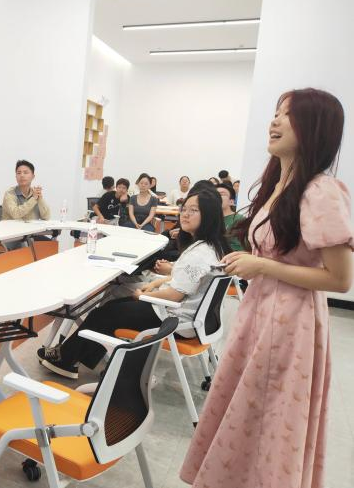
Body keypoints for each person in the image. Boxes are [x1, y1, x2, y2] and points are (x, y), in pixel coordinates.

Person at [181, 88, 353, 488]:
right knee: (250, 413)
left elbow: (341, 279)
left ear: (313, 127)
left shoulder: (320, 190)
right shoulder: (280, 185)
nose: (274, 121)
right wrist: (257, 264)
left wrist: (262, 265)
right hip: (262, 311)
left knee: (270, 417)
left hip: (290, 321)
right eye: (276, 112)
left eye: (287, 115)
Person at [37, 190, 231, 378]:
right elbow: (187, 282)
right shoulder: (211, 247)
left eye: (193, 210)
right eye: (185, 209)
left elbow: (174, 295)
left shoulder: (199, 253)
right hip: (190, 318)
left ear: (209, 216)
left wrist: (144, 295)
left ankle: (65, 360)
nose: (185, 214)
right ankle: (77, 357)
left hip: (174, 319)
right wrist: (155, 285)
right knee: (111, 307)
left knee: (103, 313)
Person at [215, 182, 244, 251]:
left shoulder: (238, 219)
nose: (216, 196)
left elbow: (238, 247)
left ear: (231, 202)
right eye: (214, 194)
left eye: (221, 194)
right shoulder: (208, 218)